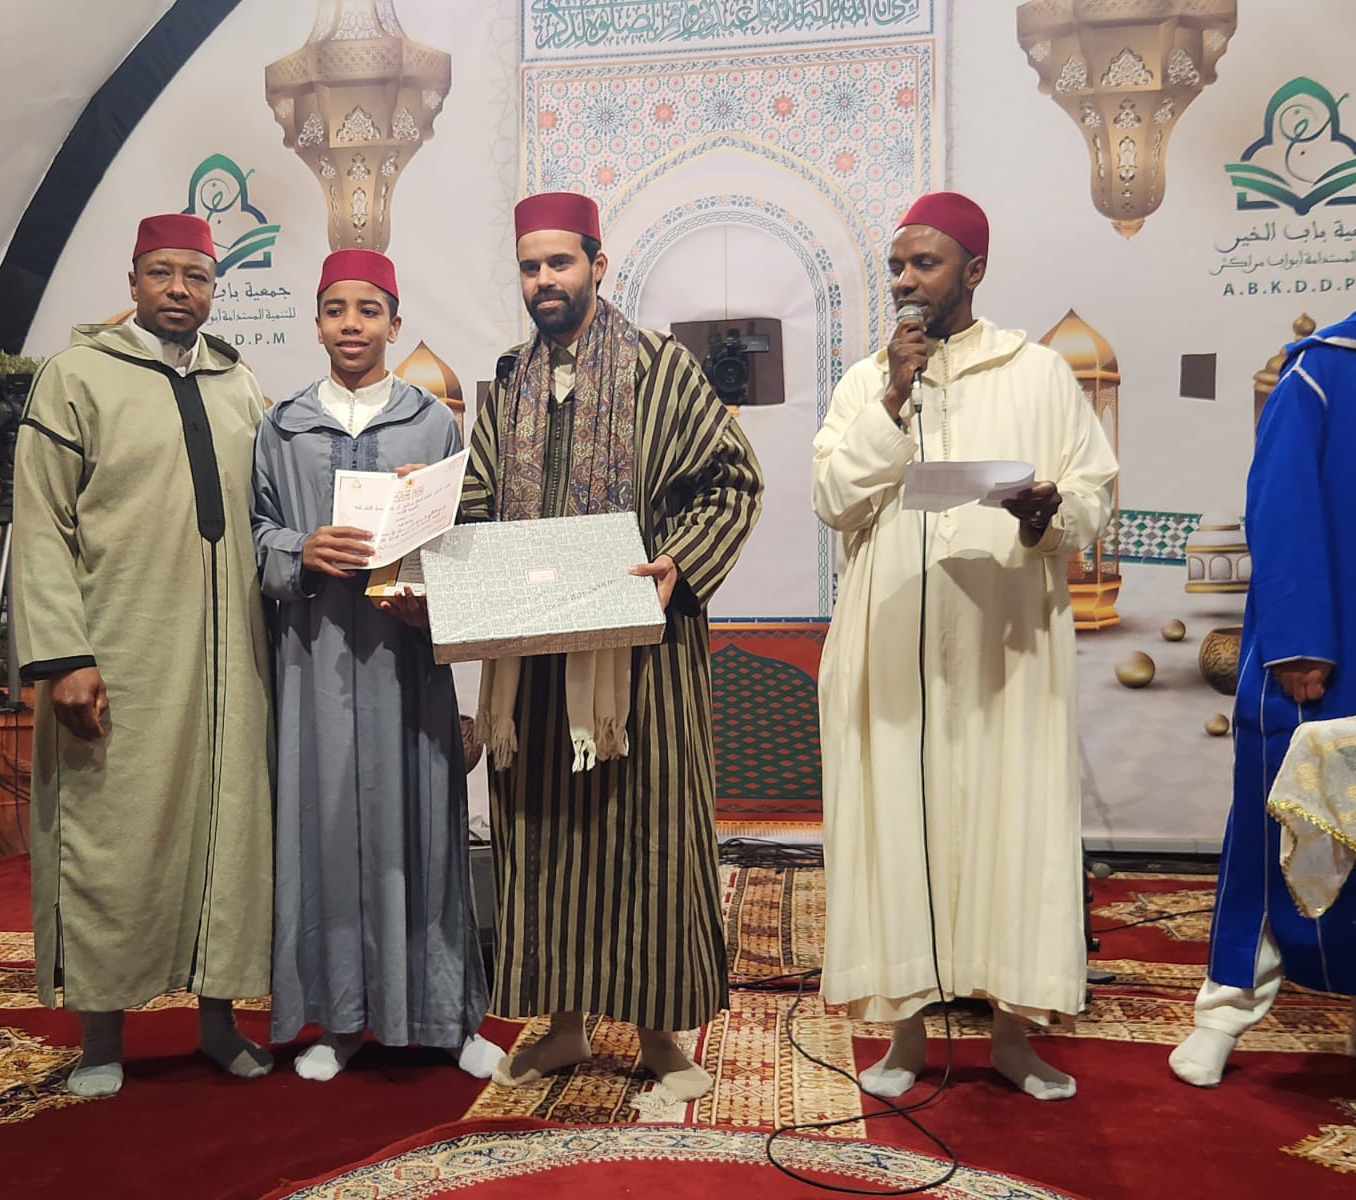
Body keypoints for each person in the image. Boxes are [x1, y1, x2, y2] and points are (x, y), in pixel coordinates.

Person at [812, 191, 1118, 1102]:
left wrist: (1048, 510)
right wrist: (893, 399)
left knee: (1011, 821)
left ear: (974, 271)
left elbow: (1094, 492)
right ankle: (904, 1035)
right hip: (890, 641)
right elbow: (833, 498)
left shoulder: (1038, 374)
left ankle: (1014, 1038)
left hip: (1002, 645)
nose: (905, 280)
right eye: (897, 266)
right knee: (894, 825)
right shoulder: (868, 382)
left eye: (925, 263)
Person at [462, 191, 763, 1101]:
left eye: (559, 262)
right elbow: (477, 500)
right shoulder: (509, 381)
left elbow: (734, 483)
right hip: (531, 662)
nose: (543, 281)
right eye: (529, 267)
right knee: (543, 838)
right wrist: (442, 541)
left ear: (598, 265)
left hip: (641, 659)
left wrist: (680, 563)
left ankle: (662, 1038)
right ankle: (560, 1028)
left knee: (647, 833)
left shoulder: (661, 372)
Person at [13, 213, 275, 1098]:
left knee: (226, 831)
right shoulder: (75, 377)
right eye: (161, 274)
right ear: (132, 282)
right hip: (120, 649)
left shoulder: (239, 383)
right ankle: (100, 1038)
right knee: (112, 833)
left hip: (231, 657)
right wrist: (64, 657)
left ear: (214, 288)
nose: (178, 291)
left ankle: (219, 1022)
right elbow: (41, 524)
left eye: (196, 277)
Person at [251, 248, 501, 1081]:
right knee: (326, 833)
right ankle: (342, 1020)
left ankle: (448, 1017)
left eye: (367, 310)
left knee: (425, 826)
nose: (351, 325)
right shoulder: (283, 424)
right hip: (316, 655)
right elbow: (256, 534)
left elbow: (466, 538)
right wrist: (300, 547)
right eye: (335, 310)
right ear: (316, 322)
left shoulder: (433, 424)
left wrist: (432, 548)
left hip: (405, 660)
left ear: (395, 322)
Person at [1169, 310, 1356, 1088]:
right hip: (1331, 649)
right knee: (1275, 826)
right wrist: (1299, 639)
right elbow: (1280, 504)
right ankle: (1226, 1008)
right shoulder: (1323, 369)